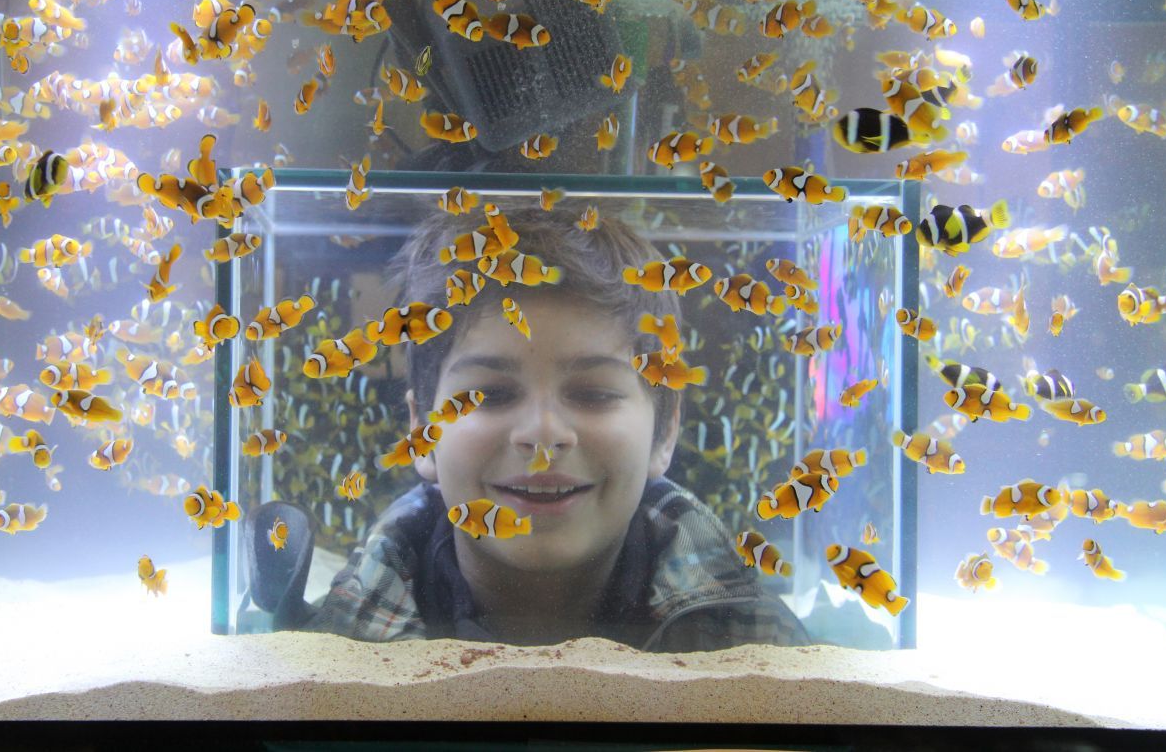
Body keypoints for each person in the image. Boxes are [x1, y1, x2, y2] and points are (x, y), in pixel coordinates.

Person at [279, 204, 809, 651]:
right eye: (488, 395)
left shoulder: (761, 642)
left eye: (595, 393)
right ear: (421, 432)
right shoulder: (330, 648)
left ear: (665, 432)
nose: (543, 434)